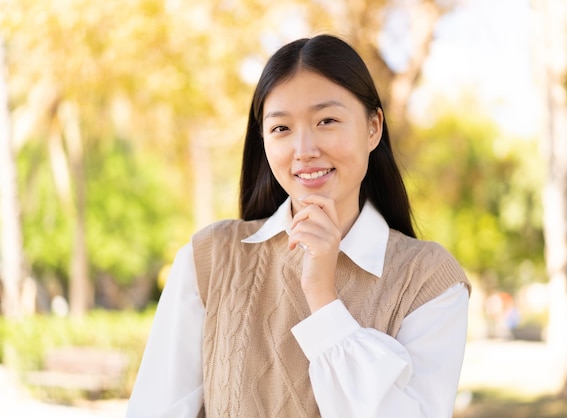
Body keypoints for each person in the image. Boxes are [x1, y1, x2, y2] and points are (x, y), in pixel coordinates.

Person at [126, 34, 471, 418]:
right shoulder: (209, 259)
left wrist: (323, 297)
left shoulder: (428, 281)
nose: (304, 149)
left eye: (327, 120)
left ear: (373, 127)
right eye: (281, 129)